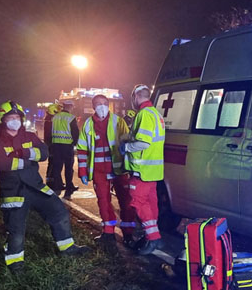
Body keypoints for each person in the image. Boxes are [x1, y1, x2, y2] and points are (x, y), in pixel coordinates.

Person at [0, 101, 90, 273]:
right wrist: (29, 161)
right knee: (16, 229)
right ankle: (15, 262)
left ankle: (67, 248)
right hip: (13, 191)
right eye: (11, 117)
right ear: (2, 120)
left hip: (35, 187)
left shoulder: (29, 136)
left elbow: (43, 153)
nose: (15, 121)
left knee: (58, 210)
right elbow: (3, 163)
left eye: (17, 117)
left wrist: (23, 154)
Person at [76, 94, 135, 249]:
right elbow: (82, 149)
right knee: (103, 201)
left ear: (108, 105)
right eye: (98, 104)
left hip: (118, 168)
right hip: (98, 171)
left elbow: (128, 144)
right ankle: (108, 232)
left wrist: (132, 167)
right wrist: (82, 170)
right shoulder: (88, 124)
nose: (101, 106)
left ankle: (128, 233)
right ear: (93, 107)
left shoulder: (118, 121)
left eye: (104, 103)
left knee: (126, 201)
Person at [120, 84, 166, 255]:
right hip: (152, 171)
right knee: (151, 204)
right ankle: (153, 237)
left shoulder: (145, 114)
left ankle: (153, 239)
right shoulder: (156, 114)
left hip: (141, 169)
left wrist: (126, 147)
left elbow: (144, 142)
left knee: (138, 203)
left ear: (136, 96)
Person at [46, 101, 79, 199]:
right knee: (68, 170)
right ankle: (68, 191)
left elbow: (50, 132)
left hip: (56, 146)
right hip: (67, 147)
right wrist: (74, 144)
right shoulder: (71, 118)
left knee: (57, 169)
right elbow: (75, 133)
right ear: (71, 107)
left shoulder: (55, 117)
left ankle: (56, 189)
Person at [43, 103, 59, 189]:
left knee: (53, 163)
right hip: (52, 144)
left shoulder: (48, 119)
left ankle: (53, 181)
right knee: (53, 163)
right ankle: (51, 182)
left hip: (51, 144)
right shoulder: (50, 120)